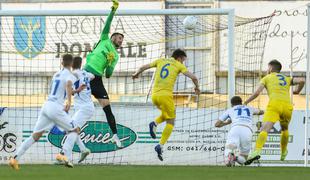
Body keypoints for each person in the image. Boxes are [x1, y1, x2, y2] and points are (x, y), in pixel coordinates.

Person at [9, 54, 81, 170]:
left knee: (35, 135)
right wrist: (68, 101)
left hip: (46, 106)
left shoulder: (56, 75)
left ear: (62, 63)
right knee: (75, 130)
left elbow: (62, 88)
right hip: (56, 108)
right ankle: (63, 155)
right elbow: (68, 85)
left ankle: (15, 158)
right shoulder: (70, 75)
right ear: (72, 64)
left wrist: (72, 91)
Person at [132, 49, 200, 161]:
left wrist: (136, 74)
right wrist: (197, 87)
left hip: (154, 96)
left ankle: (154, 123)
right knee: (171, 121)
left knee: (166, 114)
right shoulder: (178, 65)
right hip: (166, 96)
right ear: (179, 58)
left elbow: (143, 67)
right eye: (183, 60)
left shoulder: (160, 60)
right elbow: (194, 77)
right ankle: (160, 145)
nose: (183, 62)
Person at [244, 59, 305, 165]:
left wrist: (246, 102)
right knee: (284, 129)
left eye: (268, 67)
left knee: (264, 129)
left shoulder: (267, 78)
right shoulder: (286, 78)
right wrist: (297, 91)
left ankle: (256, 152)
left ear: (271, 68)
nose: (267, 70)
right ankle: (283, 152)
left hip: (274, 105)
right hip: (287, 106)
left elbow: (257, 92)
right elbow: (302, 81)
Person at [84, 0, 124, 147]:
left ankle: (115, 136)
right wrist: (113, 10)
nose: (121, 41)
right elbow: (108, 23)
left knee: (107, 108)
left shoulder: (116, 56)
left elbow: (108, 74)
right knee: (81, 106)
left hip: (97, 80)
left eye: (122, 40)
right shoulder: (105, 39)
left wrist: (109, 63)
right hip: (86, 74)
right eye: (119, 38)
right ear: (113, 37)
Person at [56, 56, 95, 167]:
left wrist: (74, 91)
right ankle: (83, 149)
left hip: (84, 108)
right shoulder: (86, 74)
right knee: (71, 128)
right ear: (80, 64)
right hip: (86, 107)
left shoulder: (73, 75)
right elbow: (93, 76)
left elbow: (69, 88)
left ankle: (64, 155)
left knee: (71, 129)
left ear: (72, 64)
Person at [215, 96, 264, 166]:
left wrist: (227, 122)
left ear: (231, 104)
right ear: (241, 102)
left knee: (229, 148)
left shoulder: (230, 110)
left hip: (235, 129)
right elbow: (261, 112)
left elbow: (217, 124)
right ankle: (235, 158)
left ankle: (229, 157)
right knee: (244, 158)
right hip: (247, 130)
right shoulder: (249, 108)